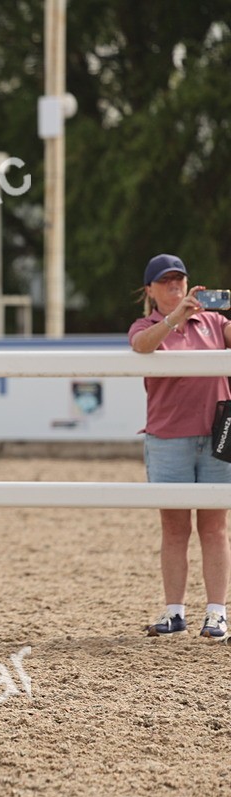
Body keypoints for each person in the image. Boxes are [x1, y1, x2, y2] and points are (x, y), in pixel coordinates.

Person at [129, 253, 231, 641]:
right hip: (169, 436)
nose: (175, 286)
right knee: (174, 528)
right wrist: (175, 318)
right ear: (151, 291)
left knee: (215, 527)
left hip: (217, 433)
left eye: (180, 280)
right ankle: (175, 611)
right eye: (167, 281)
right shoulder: (147, 324)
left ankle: (216, 613)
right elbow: (142, 346)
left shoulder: (214, 322)